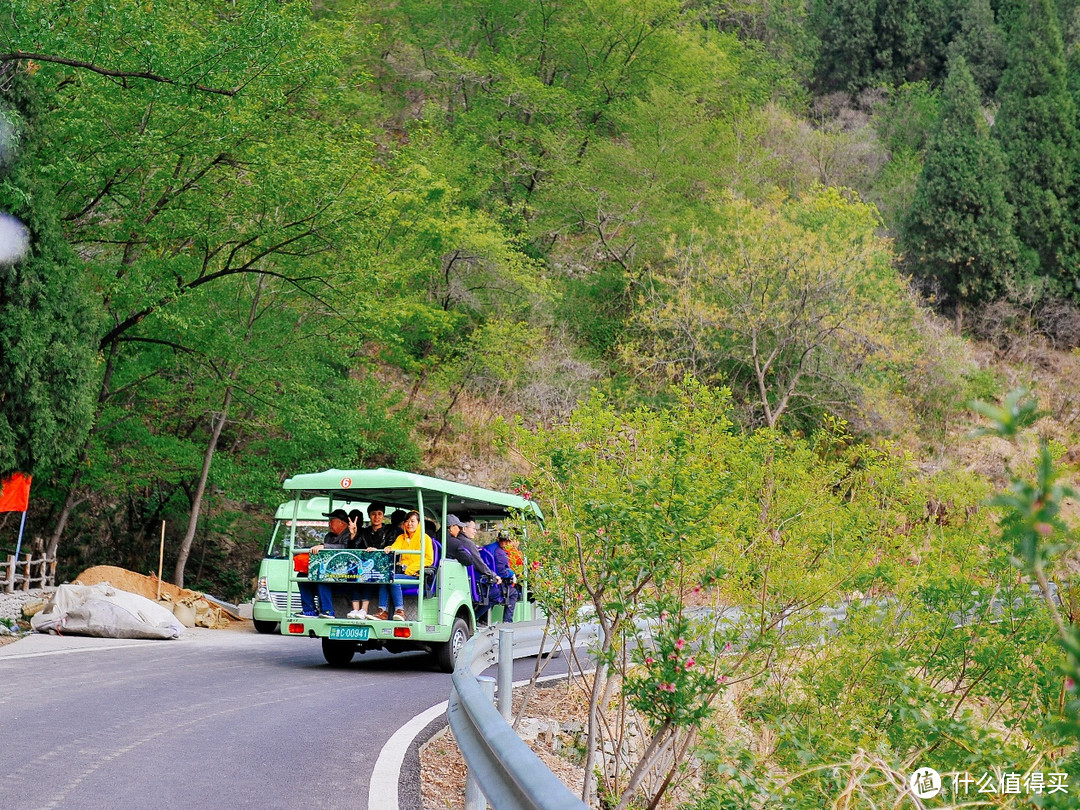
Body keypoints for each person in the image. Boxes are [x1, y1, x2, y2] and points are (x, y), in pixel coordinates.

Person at [373, 510, 434, 621]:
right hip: (403, 574)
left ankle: (400, 611)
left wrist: (411, 568)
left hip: (416, 575)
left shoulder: (425, 539)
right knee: (385, 578)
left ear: (419, 523)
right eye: (407, 521)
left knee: (393, 579)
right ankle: (383, 611)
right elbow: (395, 547)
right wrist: (387, 549)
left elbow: (428, 559)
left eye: (413, 521)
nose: (409, 524)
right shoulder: (401, 538)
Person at [345, 502, 395, 619]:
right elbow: (354, 548)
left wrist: (377, 551)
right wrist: (353, 535)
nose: (376, 517)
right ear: (369, 516)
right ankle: (355, 609)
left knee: (369, 572)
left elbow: (390, 547)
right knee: (353, 571)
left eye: (379, 514)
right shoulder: (364, 532)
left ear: (383, 516)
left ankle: (364, 609)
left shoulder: (389, 531)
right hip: (363, 565)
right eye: (373, 514)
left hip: (381, 567)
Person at [299, 508, 351, 618]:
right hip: (330, 572)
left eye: (332, 521)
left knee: (322, 576)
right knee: (302, 576)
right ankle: (309, 609)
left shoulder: (349, 535)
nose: (329, 524)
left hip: (347, 575)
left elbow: (345, 548)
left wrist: (324, 547)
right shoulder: (329, 536)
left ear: (341, 523)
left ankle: (328, 610)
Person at [445, 514, 500, 583]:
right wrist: (493, 575)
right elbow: (479, 564)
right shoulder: (466, 544)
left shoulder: (451, 539)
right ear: (464, 528)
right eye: (473, 528)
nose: (475, 531)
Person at [488, 533, 521, 623]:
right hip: (495, 583)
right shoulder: (500, 552)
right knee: (514, 593)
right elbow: (502, 571)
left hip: (487, 579)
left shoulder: (489, 547)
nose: (506, 543)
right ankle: (507, 621)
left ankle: (484, 618)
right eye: (505, 541)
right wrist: (512, 574)